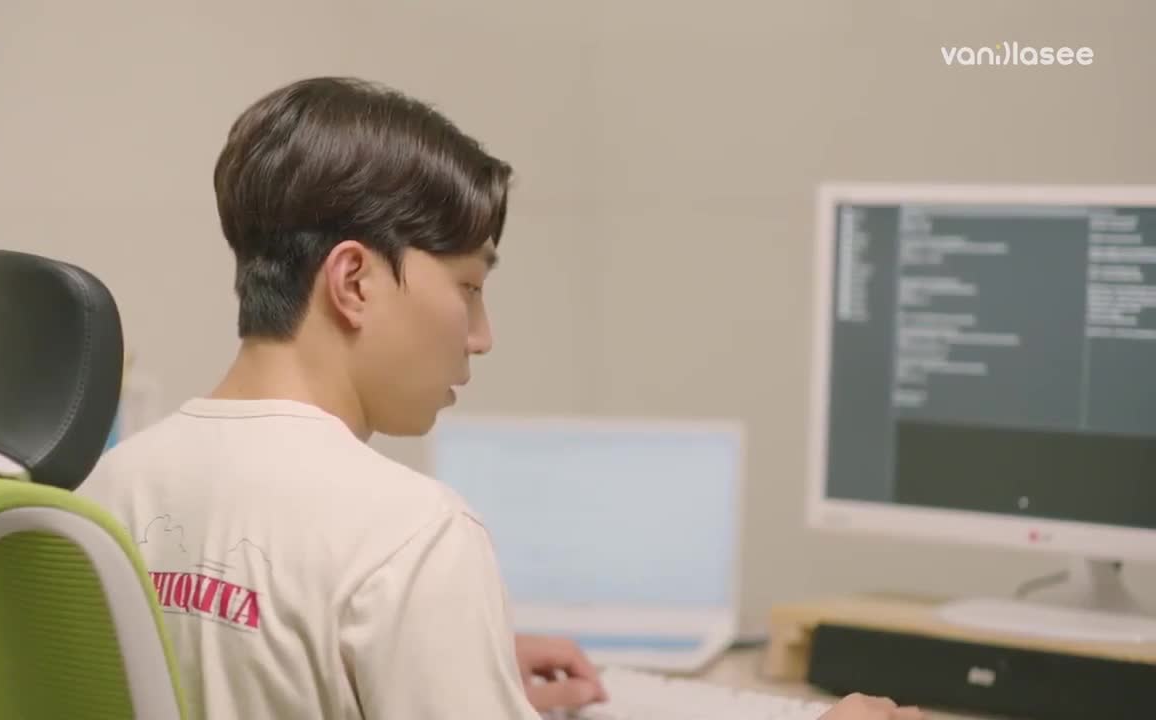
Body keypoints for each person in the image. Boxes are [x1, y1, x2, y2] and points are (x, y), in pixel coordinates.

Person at [79, 76, 924, 720]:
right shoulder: (408, 537)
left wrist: (445, 662)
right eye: (469, 287)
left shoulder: (108, 490)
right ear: (355, 281)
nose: (481, 335)